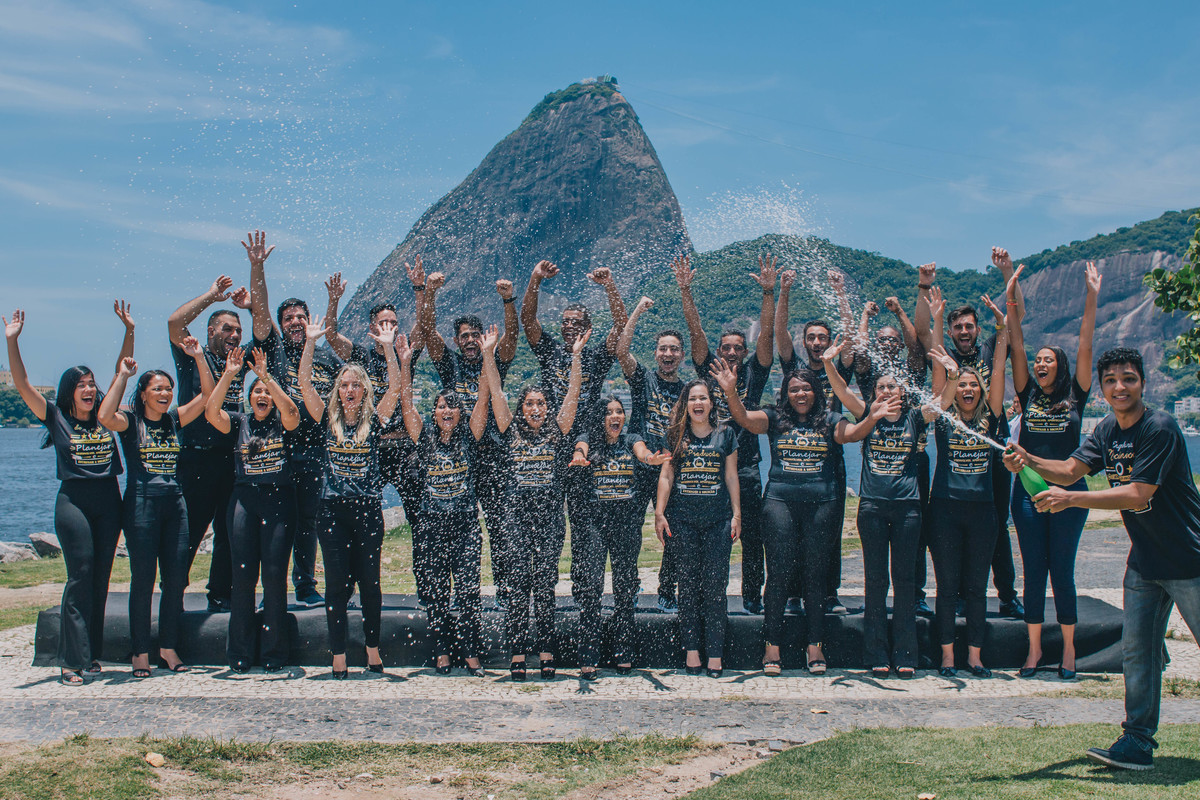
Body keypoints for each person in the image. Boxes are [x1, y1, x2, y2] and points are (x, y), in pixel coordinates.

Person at [1005, 347, 1200, 772]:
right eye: (1110, 380)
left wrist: (1069, 500)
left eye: (1128, 378)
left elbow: (1137, 493)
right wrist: (1027, 459)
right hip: (1145, 563)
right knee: (1137, 652)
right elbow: (1070, 469)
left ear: (1142, 383)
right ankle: (1136, 742)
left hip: (1189, 560)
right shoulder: (1108, 430)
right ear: (1103, 390)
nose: (1119, 387)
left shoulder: (1160, 428)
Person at [714, 357, 876, 676]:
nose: (800, 394)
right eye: (794, 389)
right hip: (779, 502)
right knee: (778, 575)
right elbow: (744, 418)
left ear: (815, 391)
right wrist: (731, 392)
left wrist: (875, 416)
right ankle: (771, 647)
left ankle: (815, 646)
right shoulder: (774, 418)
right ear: (786, 394)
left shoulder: (830, 420)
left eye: (806, 389)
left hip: (822, 504)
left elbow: (854, 434)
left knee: (815, 575)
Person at [4, 303, 133, 684]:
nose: (91, 390)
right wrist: (12, 341)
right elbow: (23, 383)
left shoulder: (106, 417)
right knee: (80, 574)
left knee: (101, 578)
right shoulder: (54, 416)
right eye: (83, 385)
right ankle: (69, 660)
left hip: (109, 500)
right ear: (69, 392)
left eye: (92, 384)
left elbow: (123, 368)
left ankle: (90, 656)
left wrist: (129, 328)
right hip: (73, 501)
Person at [1007, 261, 1101, 679]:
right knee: (1033, 572)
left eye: (1049, 360)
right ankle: (1032, 653)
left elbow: (1085, 343)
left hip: (1069, 493)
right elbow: (1016, 341)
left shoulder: (1076, 396)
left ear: (1060, 367)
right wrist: (1011, 293)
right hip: (1026, 494)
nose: (1041, 364)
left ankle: (1066, 654)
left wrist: (1092, 297)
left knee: (1062, 572)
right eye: (1038, 360)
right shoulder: (1027, 394)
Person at [298, 316, 402, 678]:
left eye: (357, 384)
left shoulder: (375, 420)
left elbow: (398, 388)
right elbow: (303, 384)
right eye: (345, 384)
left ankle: (372, 647)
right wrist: (310, 343)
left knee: (371, 582)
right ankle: (338, 652)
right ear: (338, 390)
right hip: (331, 512)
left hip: (368, 511)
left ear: (364, 390)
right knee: (337, 585)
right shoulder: (326, 419)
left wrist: (389, 348)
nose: (350, 389)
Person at [98, 344, 208, 677]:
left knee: (176, 581)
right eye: (157, 388)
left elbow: (207, 395)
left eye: (168, 388)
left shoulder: (175, 418)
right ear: (144, 395)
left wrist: (200, 357)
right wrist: (122, 375)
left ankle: (168, 648)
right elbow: (104, 416)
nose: (165, 393)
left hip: (175, 506)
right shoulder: (129, 422)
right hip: (141, 506)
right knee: (143, 582)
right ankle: (140, 652)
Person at [485, 326, 586, 681]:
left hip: (548, 521)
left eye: (541, 403)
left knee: (544, 585)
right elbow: (496, 391)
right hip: (514, 520)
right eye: (529, 403)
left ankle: (545, 651)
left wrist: (575, 357)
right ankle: (516, 652)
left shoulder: (557, 432)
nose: (536, 408)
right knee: (517, 585)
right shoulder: (508, 428)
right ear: (521, 407)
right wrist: (488, 354)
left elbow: (573, 392)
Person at [675, 253, 775, 616]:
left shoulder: (754, 374)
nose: (731, 352)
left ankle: (751, 595)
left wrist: (769, 294)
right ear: (718, 352)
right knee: (702, 540)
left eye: (737, 348)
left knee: (752, 538)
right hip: (707, 470)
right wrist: (686, 290)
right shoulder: (708, 371)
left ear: (745, 353)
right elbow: (695, 332)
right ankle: (700, 597)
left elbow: (768, 336)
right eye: (726, 348)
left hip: (745, 468)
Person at [249, 230, 342, 608]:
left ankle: (305, 586)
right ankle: (269, 592)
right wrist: (257, 267)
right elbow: (259, 311)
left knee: (308, 524)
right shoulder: (273, 350)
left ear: (310, 320)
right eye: (288, 318)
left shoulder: (324, 358)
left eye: (301, 317)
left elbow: (344, 399)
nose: (295, 322)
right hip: (277, 449)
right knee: (271, 524)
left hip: (316, 452)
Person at [325, 269, 428, 603]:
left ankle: (428, 587)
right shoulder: (363, 358)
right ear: (372, 329)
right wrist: (334, 300)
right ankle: (351, 587)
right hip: (372, 449)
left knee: (421, 518)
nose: (391, 328)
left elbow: (424, 329)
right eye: (384, 323)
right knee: (359, 518)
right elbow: (330, 336)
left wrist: (418, 289)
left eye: (394, 323)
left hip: (405, 446)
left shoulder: (405, 351)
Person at [419, 268, 519, 610]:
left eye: (476, 334)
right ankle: (441, 595)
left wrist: (508, 301)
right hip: (456, 457)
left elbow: (514, 336)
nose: (472, 340)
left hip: (492, 455)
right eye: (465, 336)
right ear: (457, 341)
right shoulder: (450, 366)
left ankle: (505, 592)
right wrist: (429, 293)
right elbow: (428, 332)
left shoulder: (494, 363)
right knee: (447, 529)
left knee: (500, 526)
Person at [823, 337, 923, 677]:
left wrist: (951, 376)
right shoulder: (866, 414)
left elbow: (944, 396)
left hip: (908, 509)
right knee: (876, 581)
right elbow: (840, 389)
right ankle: (876, 652)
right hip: (872, 509)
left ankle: (907, 653)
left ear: (901, 392)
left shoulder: (915, 418)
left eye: (890, 386)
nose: (884, 391)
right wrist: (827, 364)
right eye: (879, 387)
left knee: (905, 580)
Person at [936, 248, 1026, 620]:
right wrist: (936, 314)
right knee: (956, 525)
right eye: (957, 327)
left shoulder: (990, 349)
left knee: (996, 524)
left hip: (993, 451)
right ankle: (956, 596)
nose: (964, 332)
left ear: (977, 329)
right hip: (957, 450)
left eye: (969, 326)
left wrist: (1007, 273)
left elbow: (1015, 319)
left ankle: (1006, 594)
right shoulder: (945, 359)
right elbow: (929, 334)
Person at [398, 328, 492, 677]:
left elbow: (483, 398)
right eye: (441, 405)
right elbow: (406, 402)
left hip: (465, 525)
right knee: (436, 592)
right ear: (434, 412)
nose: (447, 409)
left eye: (453, 405)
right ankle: (441, 652)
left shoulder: (471, 434)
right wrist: (405, 363)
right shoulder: (422, 436)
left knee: (468, 590)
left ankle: (470, 652)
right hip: (431, 525)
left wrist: (487, 355)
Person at [925, 293, 1009, 679]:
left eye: (975, 385)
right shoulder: (944, 417)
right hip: (944, 509)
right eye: (963, 385)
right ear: (956, 389)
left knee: (977, 588)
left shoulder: (991, 416)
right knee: (946, 589)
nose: (969, 390)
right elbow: (940, 366)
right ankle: (946, 658)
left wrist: (1002, 327)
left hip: (983, 513)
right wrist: (938, 321)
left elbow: (998, 367)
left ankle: (974, 657)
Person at [202, 345, 300, 672]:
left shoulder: (281, 420)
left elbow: (293, 413)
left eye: (266, 393)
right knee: (243, 578)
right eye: (256, 392)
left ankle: (274, 655)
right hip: (244, 501)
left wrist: (266, 377)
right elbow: (210, 412)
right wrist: (230, 374)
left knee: (274, 578)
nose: (262, 396)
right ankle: (240, 654)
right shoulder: (239, 421)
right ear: (248, 398)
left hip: (279, 501)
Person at [167, 273, 256, 613]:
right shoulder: (193, 354)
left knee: (228, 535)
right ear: (210, 332)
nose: (234, 335)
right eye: (226, 329)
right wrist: (211, 296)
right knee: (186, 534)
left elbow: (265, 334)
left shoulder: (239, 360)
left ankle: (220, 597)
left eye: (237, 330)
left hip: (232, 460)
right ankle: (172, 596)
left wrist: (249, 309)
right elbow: (175, 323)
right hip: (196, 460)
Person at [569, 395, 671, 678]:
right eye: (609, 412)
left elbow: (642, 452)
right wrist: (579, 456)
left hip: (625, 524)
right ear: (601, 418)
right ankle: (588, 654)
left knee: (626, 588)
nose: (615, 417)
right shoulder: (589, 438)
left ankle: (623, 651)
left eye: (619, 412)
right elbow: (581, 446)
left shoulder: (631, 439)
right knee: (591, 587)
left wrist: (651, 458)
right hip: (595, 524)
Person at [776, 268, 857, 615]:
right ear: (803, 340)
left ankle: (828, 593)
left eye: (822, 337)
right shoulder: (794, 368)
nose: (817, 343)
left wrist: (840, 292)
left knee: (829, 531)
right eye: (811, 337)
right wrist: (784, 291)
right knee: (793, 531)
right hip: (795, 460)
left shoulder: (837, 369)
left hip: (830, 461)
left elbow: (851, 337)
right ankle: (794, 594)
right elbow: (778, 332)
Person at [654, 380, 741, 678]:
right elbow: (666, 476)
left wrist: (737, 514)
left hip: (717, 520)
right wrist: (659, 512)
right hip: (683, 521)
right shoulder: (675, 435)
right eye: (693, 398)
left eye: (703, 397)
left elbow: (731, 477)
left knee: (716, 588)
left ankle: (715, 653)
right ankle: (692, 651)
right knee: (688, 587)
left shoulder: (725, 434)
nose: (698, 403)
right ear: (686, 404)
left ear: (712, 403)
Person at [615, 295, 687, 613]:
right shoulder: (643, 379)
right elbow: (621, 351)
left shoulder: (688, 391)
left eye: (674, 349)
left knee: (672, 530)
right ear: (656, 353)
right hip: (639, 464)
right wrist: (637, 312)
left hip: (670, 469)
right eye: (663, 348)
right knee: (629, 531)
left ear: (681, 355)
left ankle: (667, 590)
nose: (668, 354)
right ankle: (629, 586)